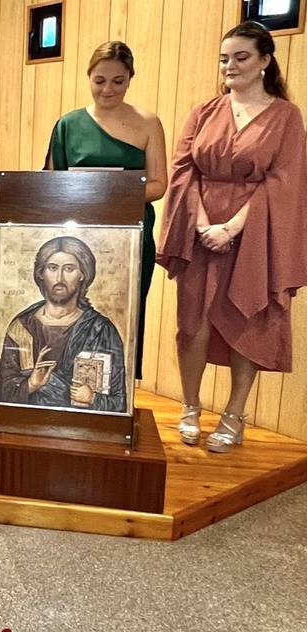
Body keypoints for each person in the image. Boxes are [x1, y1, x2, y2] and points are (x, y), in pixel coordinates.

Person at [157, 21, 307, 452]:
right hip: (199, 232)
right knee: (193, 323)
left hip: (255, 234)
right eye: (225, 58)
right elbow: (185, 170)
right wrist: (204, 223)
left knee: (249, 319)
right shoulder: (204, 111)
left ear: (264, 61)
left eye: (241, 57)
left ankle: (234, 414)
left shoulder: (285, 116)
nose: (230, 66)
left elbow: (284, 182)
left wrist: (232, 227)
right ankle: (190, 407)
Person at [46, 41, 167, 381]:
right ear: (89, 77)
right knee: (74, 310)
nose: (108, 89)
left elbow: (159, 184)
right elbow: (50, 185)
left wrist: (110, 191)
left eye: (118, 81)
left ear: (130, 78)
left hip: (131, 236)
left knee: (124, 314)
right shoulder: (67, 124)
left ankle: (119, 390)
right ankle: (69, 387)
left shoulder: (148, 123)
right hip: (78, 237)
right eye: (100, 80)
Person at [0, 236, 127, 413]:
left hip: (83, 428)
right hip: (29, 422)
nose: (59, 278)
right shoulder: (22, 327)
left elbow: (119, 402)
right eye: (52, 268)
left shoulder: (101, 330)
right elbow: (3, 395)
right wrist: (31, 384)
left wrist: (93, 398)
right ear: (41, 273)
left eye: (69, 269)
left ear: (83, 274)